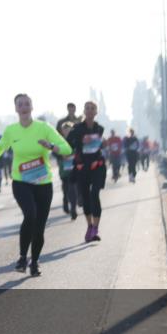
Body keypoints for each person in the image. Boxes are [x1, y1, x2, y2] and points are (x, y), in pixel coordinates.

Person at [0, 94, 72, 277]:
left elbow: (67, 148)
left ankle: (34, 262)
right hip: (21, 182)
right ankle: (22, 257)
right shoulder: (11, 130)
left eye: (27, 104)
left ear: (32, 107)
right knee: (30, 214)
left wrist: (51, 146)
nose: (24, 107)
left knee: (40, 226)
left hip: (43, 183)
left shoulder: (44, 128)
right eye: (20, 104)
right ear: (16, 109)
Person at [67, 102, 107, 242]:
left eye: (93, 108)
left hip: (97, 165)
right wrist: (76, 143)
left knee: (94, 194)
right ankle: (89, 226)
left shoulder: (100, 129)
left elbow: (100, 146)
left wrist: (103, 144)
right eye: (87, 108)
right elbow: (68, 144)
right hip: (82, 167)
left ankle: (95, 228)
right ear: (84, 111)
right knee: (85, 197)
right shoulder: (77, 128)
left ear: (96, 112)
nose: (90, 111)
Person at [57, 121, 79, 221]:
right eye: (65, 130)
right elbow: (54, 152)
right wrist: (61, 156)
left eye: (69, 130)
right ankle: (65, 201)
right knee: (66, 190)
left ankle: (73, 209)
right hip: (64, 170)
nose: (67, 132)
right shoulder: (59, 141)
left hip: (74, 169)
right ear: (62, 131)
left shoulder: (76, 139)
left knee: (73, 189)